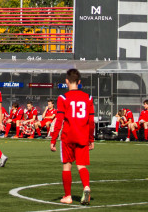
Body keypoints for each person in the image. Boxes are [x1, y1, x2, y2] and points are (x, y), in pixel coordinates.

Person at [50, 68, 95, 206]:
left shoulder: (63, 98)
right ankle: (86, 186)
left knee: (67, 166)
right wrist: (91, 139)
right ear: (79, 82)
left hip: (68, 137)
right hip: (82, 136)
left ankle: (68, 196)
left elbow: (59, 120)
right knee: (81, 165)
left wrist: (53, 139)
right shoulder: (88, 98)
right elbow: (91, 121)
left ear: (66, 81)